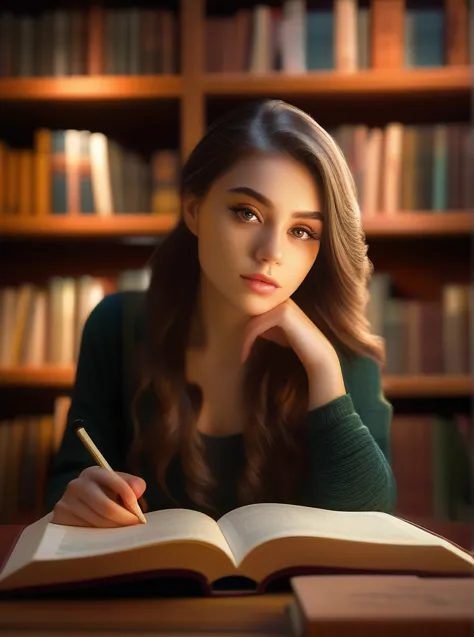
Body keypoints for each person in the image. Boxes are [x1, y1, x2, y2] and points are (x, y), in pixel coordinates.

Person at [48, 99, 397, 528]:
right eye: (247, 213)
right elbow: (66, 486)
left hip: (295, 596)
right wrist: (80, 496)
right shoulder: (117, 325)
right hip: (150, 594)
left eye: (302, 231)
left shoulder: (340, 352)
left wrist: (323, 367)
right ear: (193, 209)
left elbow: (372, 519)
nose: (271, 252)